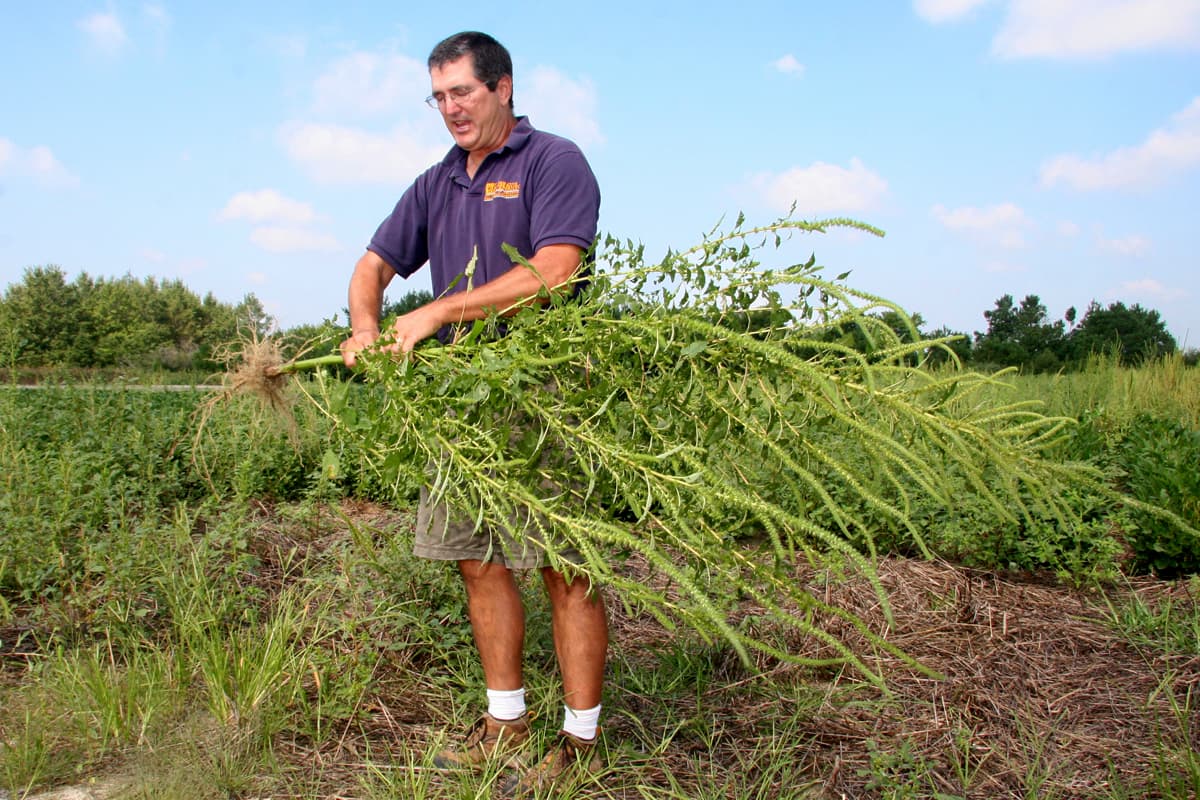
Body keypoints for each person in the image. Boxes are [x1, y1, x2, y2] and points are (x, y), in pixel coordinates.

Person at [338, 31, 607, 795]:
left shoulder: (554, 160)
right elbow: (372, 264)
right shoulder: (436, 183)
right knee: (477, 560)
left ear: (503, 88)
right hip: (459, 405)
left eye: (462, 91)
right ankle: (505, 723)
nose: (450, 108)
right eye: (439, 96)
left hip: (547, 394)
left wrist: (436, 313)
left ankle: (581, 740)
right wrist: (366, 325)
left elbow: (556, 271)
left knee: (566, 567)